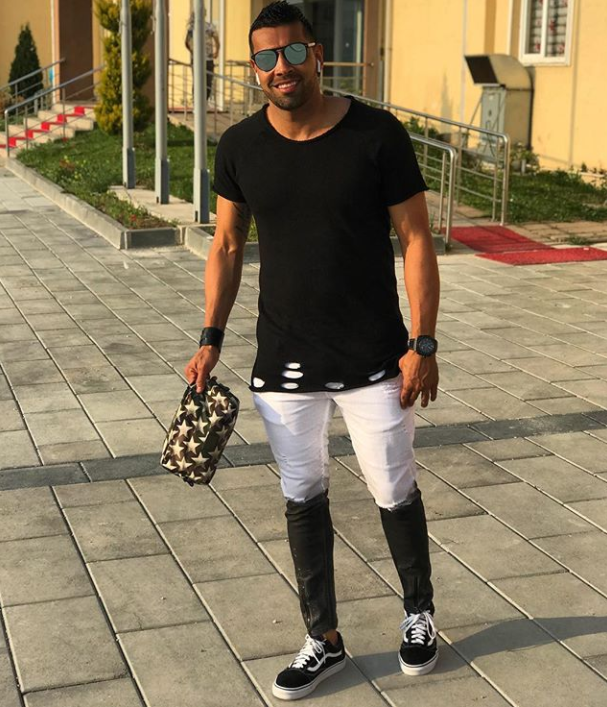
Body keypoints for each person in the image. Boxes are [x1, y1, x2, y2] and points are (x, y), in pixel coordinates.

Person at [185, 1, 440, 701]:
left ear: (316, 55)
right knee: (302, 496)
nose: (281, 68)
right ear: (254, 69)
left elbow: (417, 238)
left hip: (375, 358)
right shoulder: (240, 146)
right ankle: (322, 637)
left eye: (292, 52)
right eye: (266, 58)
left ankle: (418, 613)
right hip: (283, 362)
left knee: (393, 489)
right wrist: (210, 336)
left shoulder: (376, 135)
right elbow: (227, 245)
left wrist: (422, 342)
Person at [185, 9, 220, 100]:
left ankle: (201, 100)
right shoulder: (194, 27)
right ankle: (198, 101)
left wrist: (216, 51)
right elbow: (187, 42)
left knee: (202, 81)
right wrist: (193, 51)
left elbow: (216, 39)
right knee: (203, 81)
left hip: (205, 59)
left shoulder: (206, 26)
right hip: (201, 59)